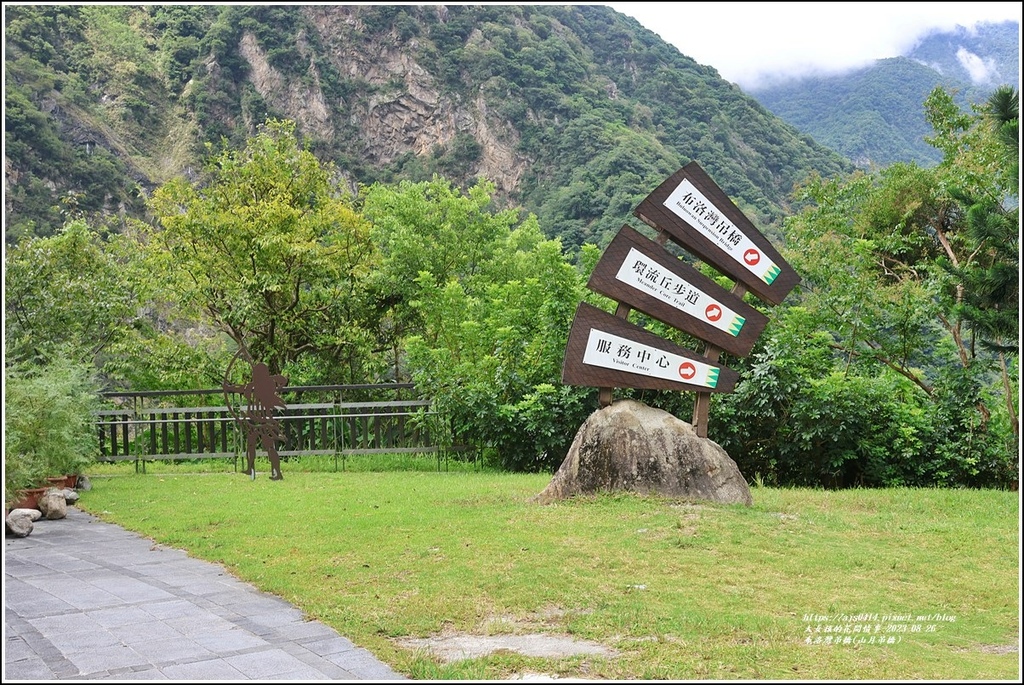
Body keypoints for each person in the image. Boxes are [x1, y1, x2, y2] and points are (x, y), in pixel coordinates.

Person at [224, 362, 289, 480]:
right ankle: (250, 468)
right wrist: (229, 387)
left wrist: (268, 378)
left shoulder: (269, 383)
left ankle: (277, 473)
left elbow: (283, 380)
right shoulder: (252, 386)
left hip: (264, 421)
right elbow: (240, 388)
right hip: (253, 421)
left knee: (269, 447)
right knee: (251, 445)